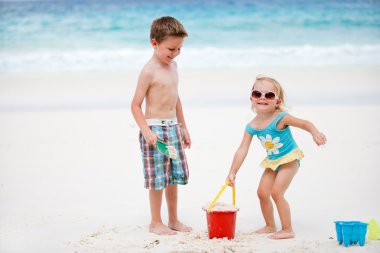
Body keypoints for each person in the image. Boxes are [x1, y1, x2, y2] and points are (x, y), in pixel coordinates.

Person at [226, 75, 327, 239]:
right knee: (262, 192)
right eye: (258, 94)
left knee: (277, 192)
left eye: (269, 95)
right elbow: (242, 149)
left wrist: (315, 133)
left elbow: (305, 123)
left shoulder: (281, 118)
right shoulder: (252, 126)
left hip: (289, 159)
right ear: (251, 98)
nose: (263, 98)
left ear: (277, 101)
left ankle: (287, 229)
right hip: (273, 162)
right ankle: (270, 225)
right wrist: (232, 172)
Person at [131, 16, 192, 235]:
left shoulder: (173, 66)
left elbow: (176, 98)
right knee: (158, 179)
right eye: (171, 49)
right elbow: (135, 105)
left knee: (173, 177)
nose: (175, 53)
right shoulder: (149, 71)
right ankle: (155, 222)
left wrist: (183, 127)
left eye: (179, 49)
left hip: (173, 128)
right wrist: (146, 132)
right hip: (154, 131)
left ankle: (173, 220)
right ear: (154, 43)